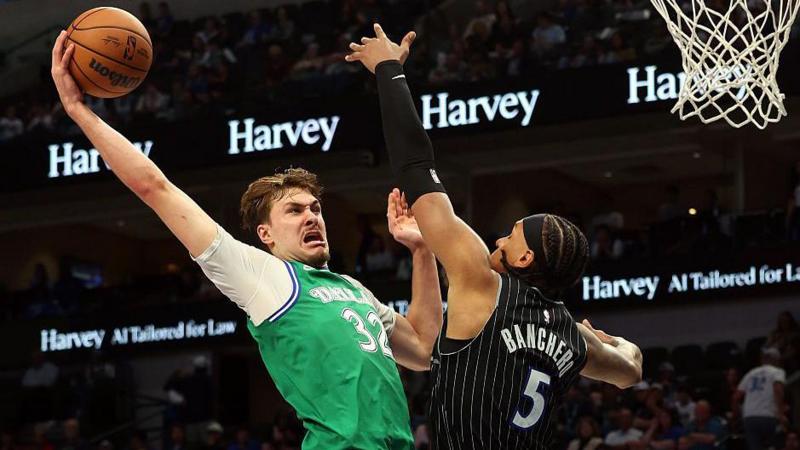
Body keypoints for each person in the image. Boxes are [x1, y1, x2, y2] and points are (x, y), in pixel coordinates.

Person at [51, 30, 443, 450]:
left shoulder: (353, 290)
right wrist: (77, 110)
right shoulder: (265, 278)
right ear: (265, 235)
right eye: (294, 210)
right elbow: (156, 188)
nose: (311, 216)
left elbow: (422, 350)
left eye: (315, 208)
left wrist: (421, 252)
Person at [346, 23, 643, 450]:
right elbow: (631, 370)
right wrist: (613, 340)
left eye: (513, 235)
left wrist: (388, 70)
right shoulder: (573, 339)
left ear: (525, 261)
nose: (501, 239)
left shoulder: (482, 284)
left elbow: (415, 164)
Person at [735, 347, 786, 450]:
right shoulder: (777, 371)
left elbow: (736, 397)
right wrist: (781, 413)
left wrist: (739, 415)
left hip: (750, 417)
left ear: (763, 359)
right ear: (776, 359)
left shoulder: (751, 373)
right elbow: (778, 389)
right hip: (768, 415)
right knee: (775, 446)